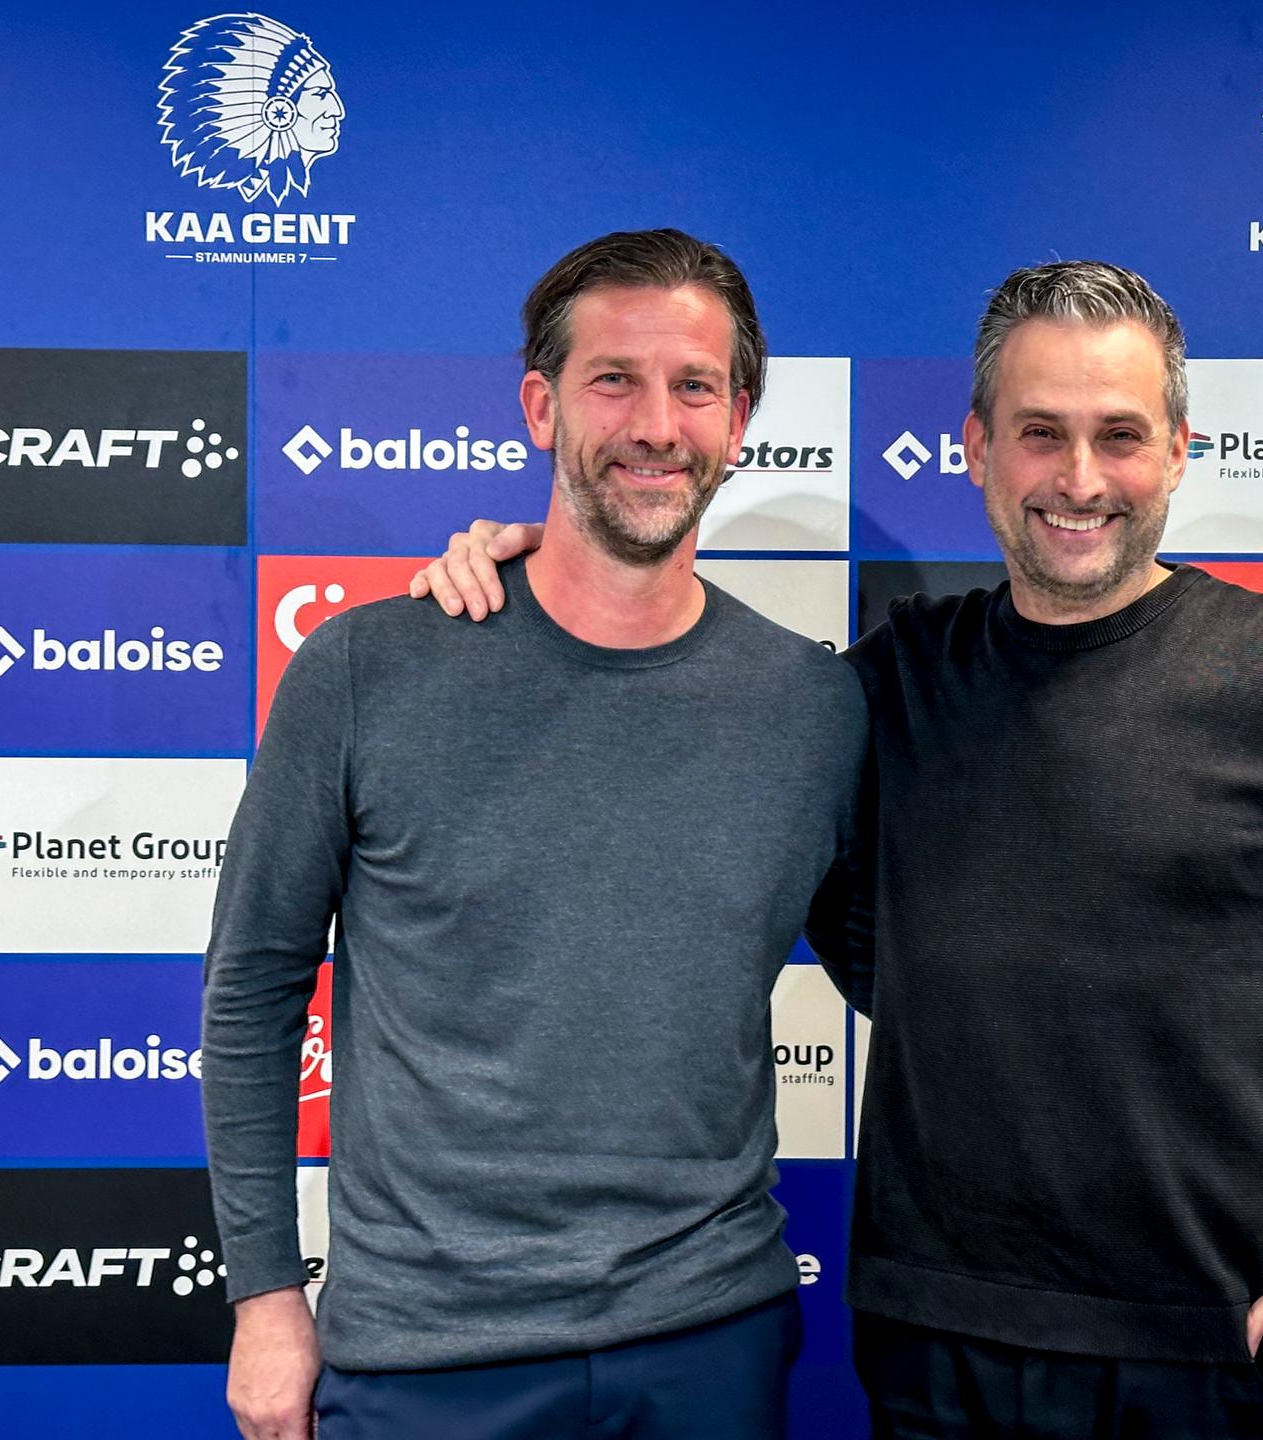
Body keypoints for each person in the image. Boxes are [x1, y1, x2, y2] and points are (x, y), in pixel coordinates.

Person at [412, 260, 1263, 1438]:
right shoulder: (891, 686)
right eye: (1040, 433)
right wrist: (536, 571)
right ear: (976, 447)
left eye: (1119, 436)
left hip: (1214, 1364)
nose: (1080, 480)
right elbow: (672, 708)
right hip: (937, 1360)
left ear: (1178, 450)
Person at [203, 228, 867, 1440]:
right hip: (425, 1356)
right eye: (614, 378)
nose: (655, 423)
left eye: (694, 386)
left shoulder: (815, 708)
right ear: (539, 405)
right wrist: (262, 1298)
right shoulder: (366, 668)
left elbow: (925, 977)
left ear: (740, 418)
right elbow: (252, 989)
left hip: (709, 1343)